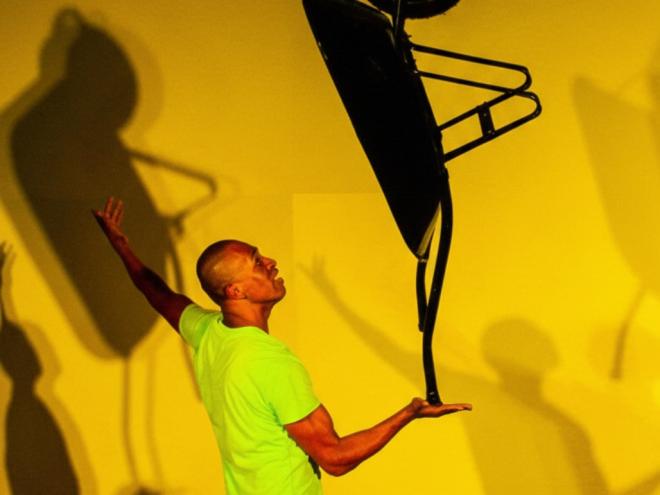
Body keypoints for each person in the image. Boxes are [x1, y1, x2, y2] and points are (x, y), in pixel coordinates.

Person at [93, 196, 472, 494]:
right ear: (235, 290)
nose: (271, 262)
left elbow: (157, 293)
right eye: (257, 262)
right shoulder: (270, 363)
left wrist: (121, 246)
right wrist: (409, 414)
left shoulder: (208, 332)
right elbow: (335, 458)